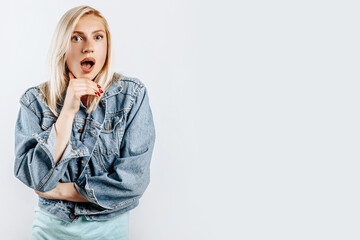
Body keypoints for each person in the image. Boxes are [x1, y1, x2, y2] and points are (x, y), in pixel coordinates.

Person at [13, 5, 156, 239]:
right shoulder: (34, 101)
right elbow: (34, 177)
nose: (88, 47)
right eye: (76, 37)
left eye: (98, 37)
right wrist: (68, 111)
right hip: (50, 229)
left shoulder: (131, 96)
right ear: (62, 46)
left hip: (109, 228)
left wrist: (63, 190)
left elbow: (133, 182)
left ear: (107, 46)